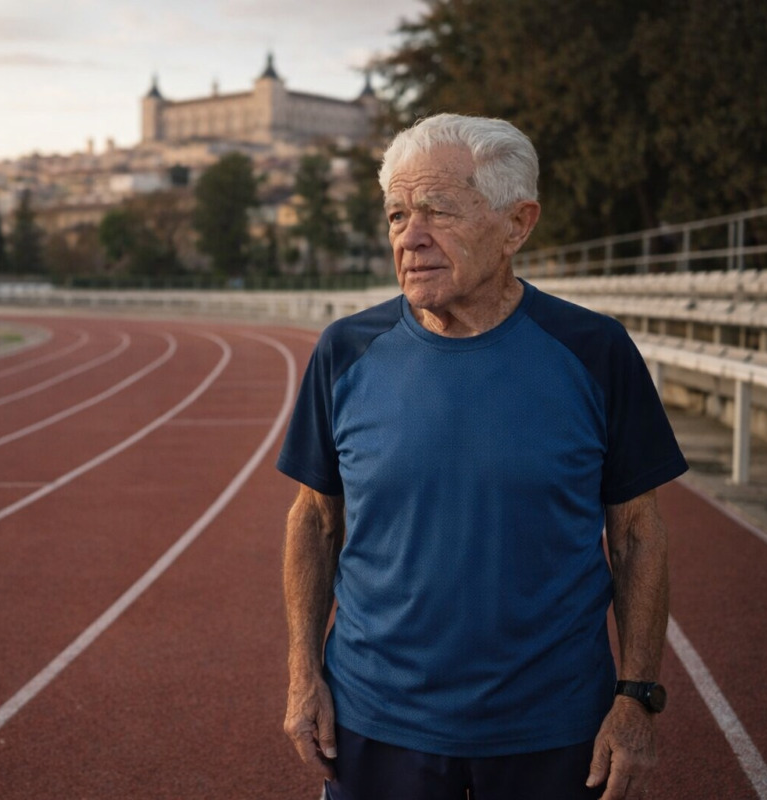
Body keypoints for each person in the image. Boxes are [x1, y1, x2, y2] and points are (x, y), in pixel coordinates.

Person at [276, 114, 687, 800]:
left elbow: (638, 534)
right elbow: (313, 521)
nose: (411, 235)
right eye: (398, 214)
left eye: (438, 209)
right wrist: (301, 672)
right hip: (373, 723)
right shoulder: (344, 352)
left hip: (556, 733)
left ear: (517, 224)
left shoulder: (596, 352)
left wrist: (637, 697)